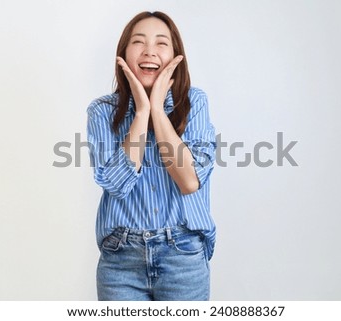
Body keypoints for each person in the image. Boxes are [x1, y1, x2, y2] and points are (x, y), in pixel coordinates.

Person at [87, 11, 216, 301]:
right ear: (123, 54)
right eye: (138, 42)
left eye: (161, 43)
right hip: (121, 260)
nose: (149, 51)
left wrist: (158, 110)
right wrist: (142, 111)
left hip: (183, 256)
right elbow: (117, 184)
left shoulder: (195, 102)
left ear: (175, 56)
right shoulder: (101, 111)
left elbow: (189, 181)